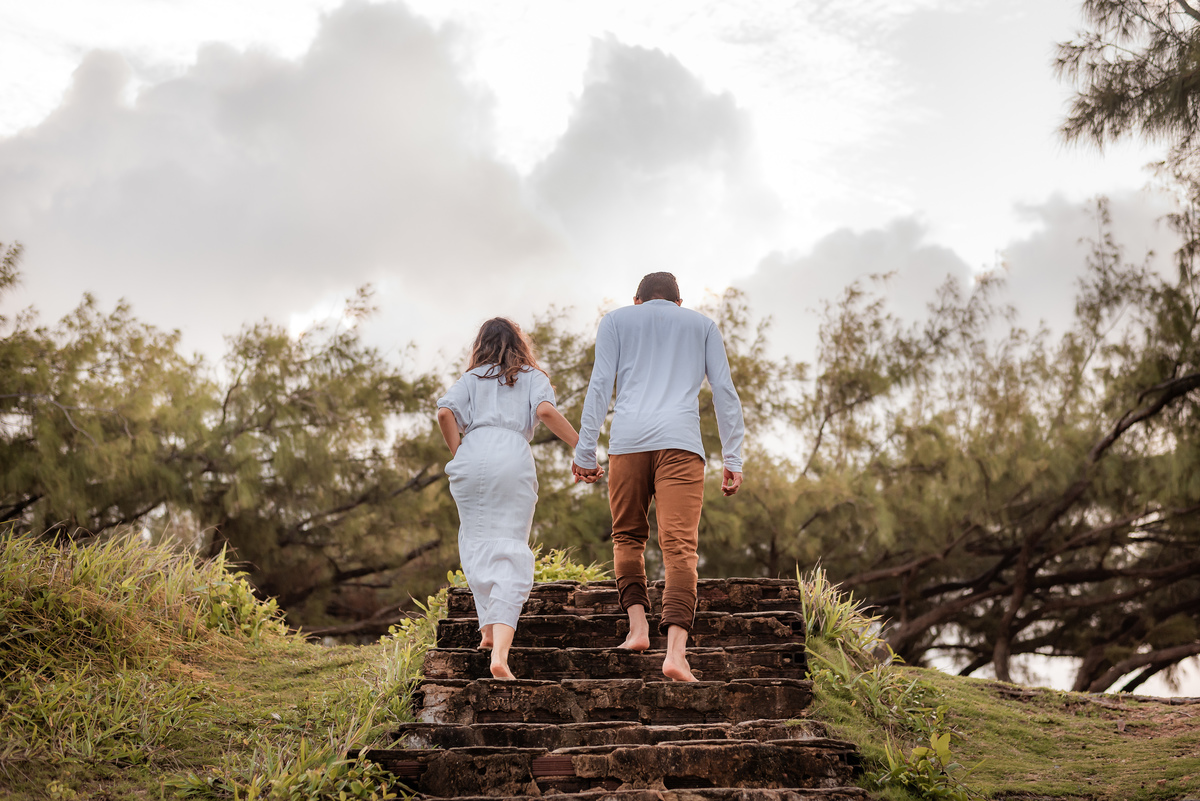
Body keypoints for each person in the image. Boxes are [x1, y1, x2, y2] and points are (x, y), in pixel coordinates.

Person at [573, 272, 745, 682]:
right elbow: (724, 390)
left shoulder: (617, 320)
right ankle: (675, 655)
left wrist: (585, 450)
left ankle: (637, 628)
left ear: (637, 300)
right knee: (680, 547)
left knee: (627, 535)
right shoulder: (701, 325)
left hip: (628, 442)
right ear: (678, 303)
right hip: (682, 445)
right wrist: (733, 457)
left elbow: (600, 384)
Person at [436, 318, 596, 680]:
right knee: (509, 547)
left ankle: (488, 631)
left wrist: (458, 452)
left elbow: (445, 412)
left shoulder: (471, 378)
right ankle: (501, 656)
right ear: (519, 344)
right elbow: (544, 412)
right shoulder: (531, 376)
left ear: (481, 344)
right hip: (511, 455)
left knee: (474, 539)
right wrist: (582, 448)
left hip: (471, 455)